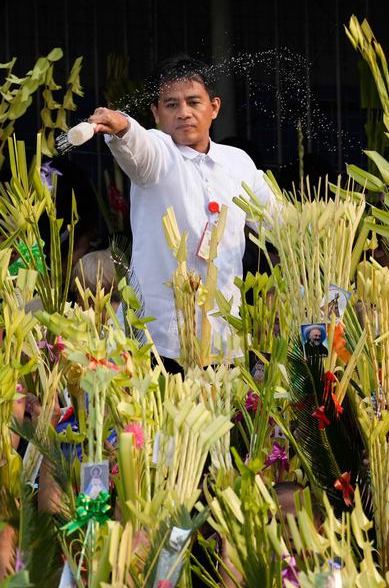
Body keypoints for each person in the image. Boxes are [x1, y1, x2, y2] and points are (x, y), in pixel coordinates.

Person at [88, 55, 274, 371]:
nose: (184, 113)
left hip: (222, 337)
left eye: (193, 102)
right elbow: (140, 148)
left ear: (214, 107)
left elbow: (279, 223)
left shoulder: (238, 163)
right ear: (156, 113)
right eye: (171, 105)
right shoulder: (159, 152)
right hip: (155, 337)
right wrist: (123, 127)